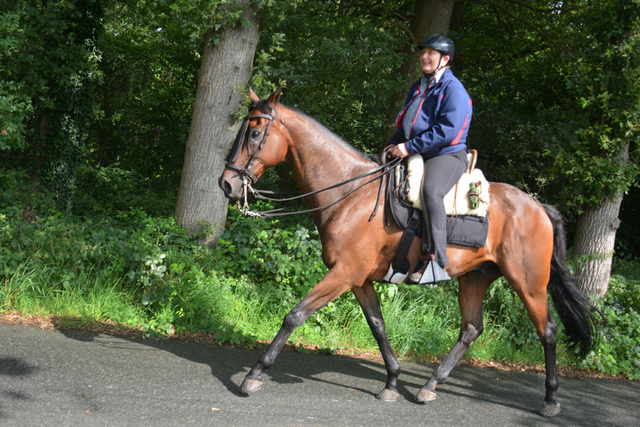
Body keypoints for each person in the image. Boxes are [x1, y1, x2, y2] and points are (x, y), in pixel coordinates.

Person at [386, 34, 472, 283]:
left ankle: (437, 262)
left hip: (446, 153)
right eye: (423, 52)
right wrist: (394, 143)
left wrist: (409, 147)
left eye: (430, 53)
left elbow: (448, 131)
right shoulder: (418, 85)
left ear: (445, 59)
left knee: (430, 191)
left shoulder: (454, 89)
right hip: (417, 148)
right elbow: (408, 121)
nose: (424, 56)